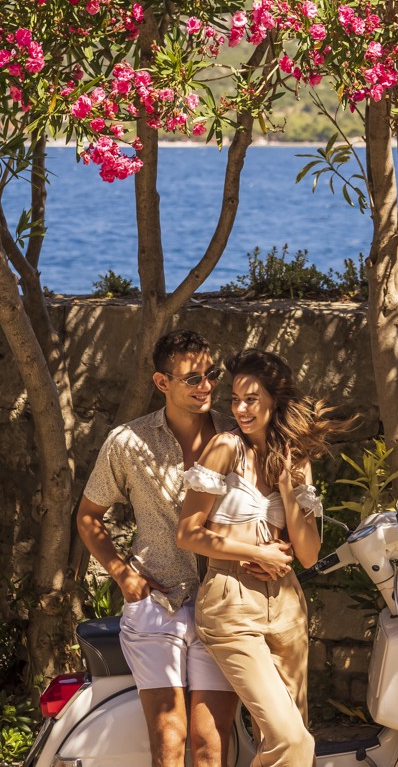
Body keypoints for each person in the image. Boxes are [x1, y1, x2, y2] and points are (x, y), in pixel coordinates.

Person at [77, 329, 240, 767]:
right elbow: (88, 516)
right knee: (169, 738)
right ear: (161, 382)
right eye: (192, 378)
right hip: (157, 603)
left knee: (210, 742)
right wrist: (122, 574)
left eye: (210, 374)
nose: (205, 386)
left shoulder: (236, 435)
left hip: (222, 603)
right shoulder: (127, 442)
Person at [177, 348, 342, 767]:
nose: (241, 408)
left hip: (287, 607)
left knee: (292, 737)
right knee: (292, 742)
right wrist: (256, 550)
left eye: (251, 399)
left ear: (275, 401)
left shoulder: (296, 458)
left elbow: (307, 554)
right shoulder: (224, 448)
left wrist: (288, 486)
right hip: (231, 604)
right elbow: (188, 533)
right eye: (235, 399)